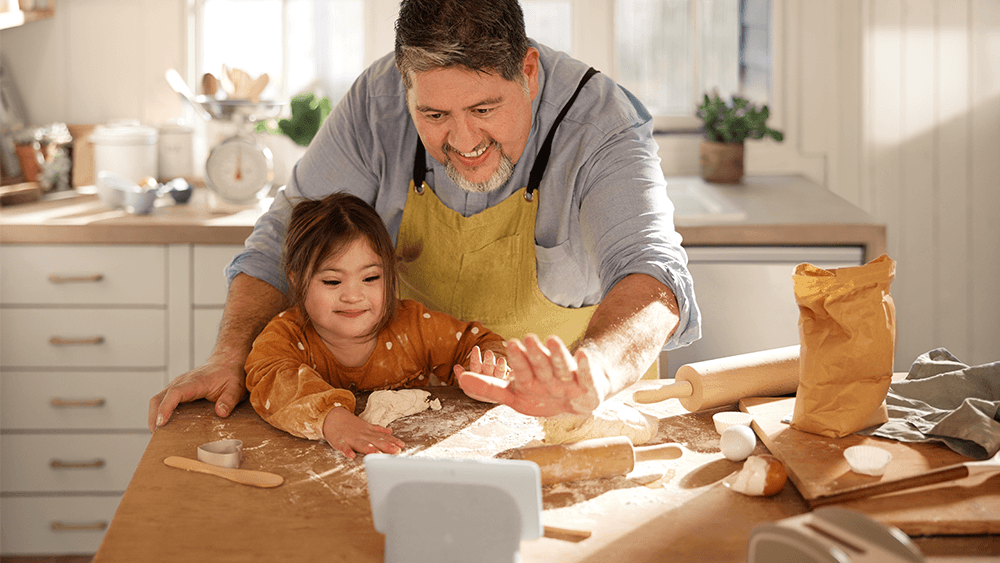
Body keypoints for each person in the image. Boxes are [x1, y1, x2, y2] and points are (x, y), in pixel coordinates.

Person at [149, 0, 701, 432]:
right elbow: (282, 239)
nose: (464, 142)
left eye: (484, 110)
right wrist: (228, 356)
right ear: (404, 82)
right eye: (433, 114)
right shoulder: (376, 103)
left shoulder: (601, 122)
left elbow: (652, 272)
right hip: (413, 415)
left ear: (528, 71)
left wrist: (593, 373)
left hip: (569, 418)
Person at [245, 192, 509, 459]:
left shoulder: (414, 326)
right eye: (332, 282)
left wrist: (488, 369)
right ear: (296, 280)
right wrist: (331, 418)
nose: (353, 295)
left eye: (370, 278)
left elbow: (477, 342)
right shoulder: (286, 336)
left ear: (389, 274)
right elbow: (269, 377)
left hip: (405, 460)